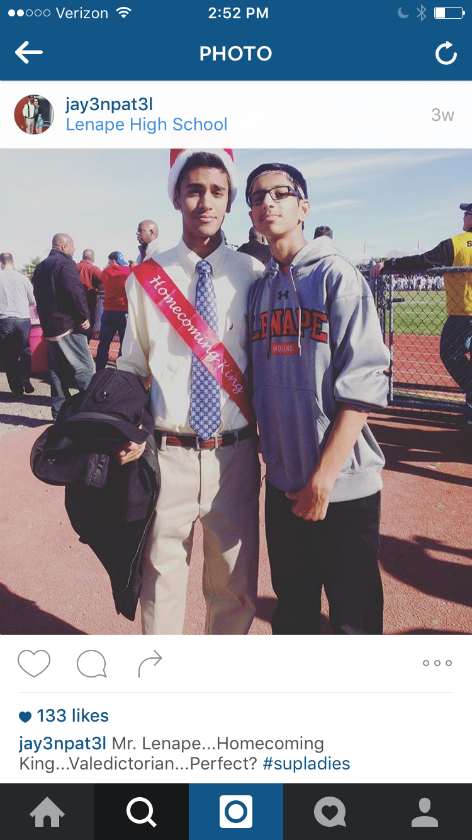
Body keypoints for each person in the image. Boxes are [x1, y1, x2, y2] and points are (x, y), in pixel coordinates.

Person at [116, 148, 263, 635]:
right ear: (176, 197)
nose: (205, 200)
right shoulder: (145, 279)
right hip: (166, 453)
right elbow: (132, 367)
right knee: (160, 585)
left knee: (235, 589)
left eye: (217, 191)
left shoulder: (253, 275)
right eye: (194, 189)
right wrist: (126, 428)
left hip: (235, 458)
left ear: (229, 202)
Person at [247, 162, 390, 635]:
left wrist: (324, 479)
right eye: (256, 196)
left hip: (341, 485)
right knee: (294, 615)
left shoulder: (337, 276)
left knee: (355, 618)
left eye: (279, 192)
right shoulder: (260, 288)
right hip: (285, 482)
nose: (267, 201)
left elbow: (364, 384)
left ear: (303, 207)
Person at [376, 202, 472, 424]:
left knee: (450, 354)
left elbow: (422, 261)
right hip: (462, 314)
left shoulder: (456, 244)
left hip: (462, 314)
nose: (463, 219)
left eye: (466, 214)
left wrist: (390, 265)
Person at [32, 233, 95, 420]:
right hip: (68, 325)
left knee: (56, 371)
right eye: (73, 247)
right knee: (85, 368)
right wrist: (84, 315)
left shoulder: (41, 266)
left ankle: (58, 413)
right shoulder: (66, 263)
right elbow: (75, 291)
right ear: (65, 246)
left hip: (50, 327)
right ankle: (91, 412)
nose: (74, 250)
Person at [0, 252, 36, 396]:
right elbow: (32, 300)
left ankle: (16, 389)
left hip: (5, 320)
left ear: (1, 263)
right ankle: (25, 377)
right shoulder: (23, 278)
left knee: (9, 355)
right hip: (23, 319)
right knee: (25, 350)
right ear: (13, 263)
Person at [95, 251, 130, 370]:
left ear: (112, 261)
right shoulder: (128, 272)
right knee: (124, 344)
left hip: (108, 311)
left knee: (104, 343)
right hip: (124, 311)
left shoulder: (105, 272)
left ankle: (99, 369)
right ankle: (120, 369)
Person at [76, 249, 103, 340]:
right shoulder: (94, 269)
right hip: (88, 304)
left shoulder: (74, 267)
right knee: (87, 330)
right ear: (93, 258)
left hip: (73, 304)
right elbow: (104, 281)